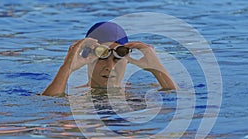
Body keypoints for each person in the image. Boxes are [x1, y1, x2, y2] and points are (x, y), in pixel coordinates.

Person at [42, 21, 177, 96]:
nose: (110, 67)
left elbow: (179, 102)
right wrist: (67, 67)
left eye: (117, 59)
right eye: (102, 58)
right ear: (88, 57)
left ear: (126, 60)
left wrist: (157, 69)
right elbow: (49, 107)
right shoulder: (78, 96)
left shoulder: (139, 91)